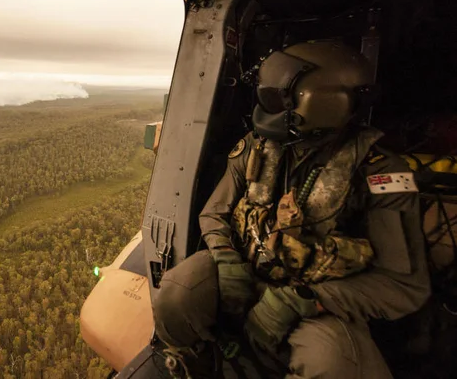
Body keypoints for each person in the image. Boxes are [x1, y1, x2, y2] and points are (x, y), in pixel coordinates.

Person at [152, 41, 431, 378]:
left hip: (314, 298)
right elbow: (214, 214)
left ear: (323, 102)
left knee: (334, 365)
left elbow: (401, 285)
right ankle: (199, 363)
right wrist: (225, 256)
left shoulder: (379, 172)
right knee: (176, 295)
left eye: (279, 97)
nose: (267, 106)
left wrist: (303, 299)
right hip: (245, 268)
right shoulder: (258, 146)